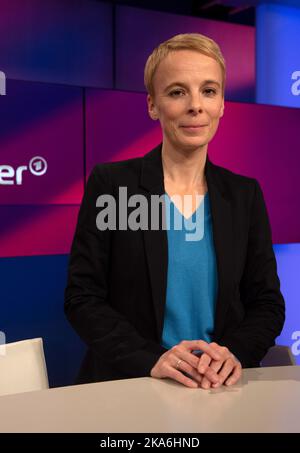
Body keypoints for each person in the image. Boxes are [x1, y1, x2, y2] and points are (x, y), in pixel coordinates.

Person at [64, 33, 285, 390]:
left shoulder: (243, 195)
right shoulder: (115, 186)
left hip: (220, 391)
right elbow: (83, 298)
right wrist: (152, 359)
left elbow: (266, 303)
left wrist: (234, 353)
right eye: (177, 92)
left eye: (209, 91)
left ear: (222, 104)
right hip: (133, 385)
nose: (195, 105)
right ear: (153, 105)